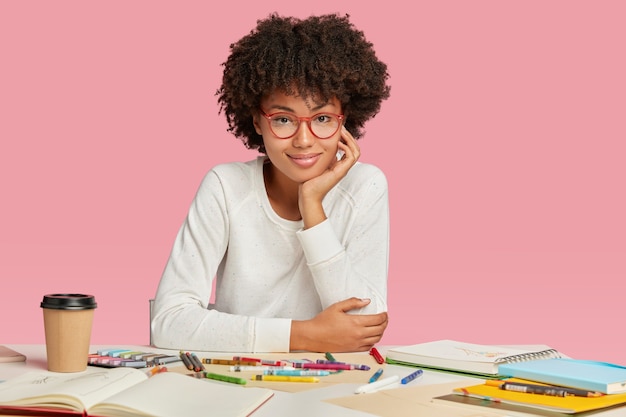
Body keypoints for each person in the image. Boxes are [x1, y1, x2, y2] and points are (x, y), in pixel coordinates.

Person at [151, 13, 391, 353]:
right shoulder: (225, 186)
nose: (304, 140)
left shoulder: (365, 186)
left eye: (322, 118)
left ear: (345, 121)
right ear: (257, 122)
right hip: (237, 384)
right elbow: (169, 321)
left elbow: (363, 325)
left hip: (331, 386)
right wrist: (303, 335)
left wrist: (312, 206)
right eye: (282, 119)